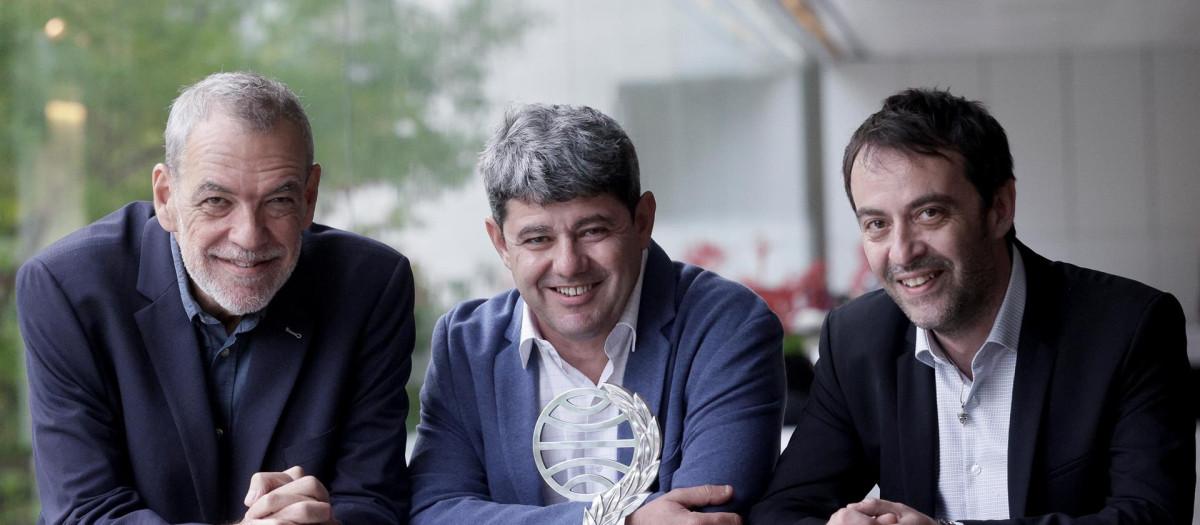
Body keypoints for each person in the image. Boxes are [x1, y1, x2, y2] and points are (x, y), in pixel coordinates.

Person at [749, 88, 1194, 525]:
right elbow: (782, 510)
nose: (902, 252)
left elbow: (1151, 515)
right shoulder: (856, 340)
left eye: (930, 214)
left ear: (999, 208)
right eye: (877, 224)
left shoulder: (1129, 327)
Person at [17, 71, 414, 524]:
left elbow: (376, 500)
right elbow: (85, 512)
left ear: (308, 197)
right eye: (217, 201)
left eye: (278, 200)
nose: (248, 237)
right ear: (166, 197)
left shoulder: (371, 287)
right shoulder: (66, 290)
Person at [408, 103, 786, 525]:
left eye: (593, 231)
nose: (568, 264)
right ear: (500, 243)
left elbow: (705, 516)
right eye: (537, 239)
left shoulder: (727, 326)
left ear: (643, 221)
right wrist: (618, 521)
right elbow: (434, 511)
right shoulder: (466, 345)